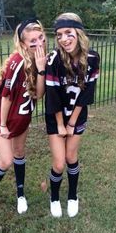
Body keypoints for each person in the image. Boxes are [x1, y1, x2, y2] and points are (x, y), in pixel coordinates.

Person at [0, 18, 47, 215]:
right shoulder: (17, 61)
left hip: (22, 118)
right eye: (32, 41)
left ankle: (20, 194)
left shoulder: (41, 59)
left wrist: (42, 68)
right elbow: (6, 96)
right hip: (3, 118)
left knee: (19, 153)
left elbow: (40, 94)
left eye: (41, 37)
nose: (38, 43)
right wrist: (2, 125)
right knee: (7, 159)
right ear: (23, 43)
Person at [45, 12, 100, 218]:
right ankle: (54, 198)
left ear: (79, 33)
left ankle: (72, 196)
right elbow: (52, 94)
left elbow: (87, 93)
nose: (63, 39)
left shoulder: (93, 58)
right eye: (59, 34)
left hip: (77, 115)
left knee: (71, 157)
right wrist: (61, 124)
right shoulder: (54, 59)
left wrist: (72, 123)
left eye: (68, 33)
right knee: (59, 163)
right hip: (56, 116)